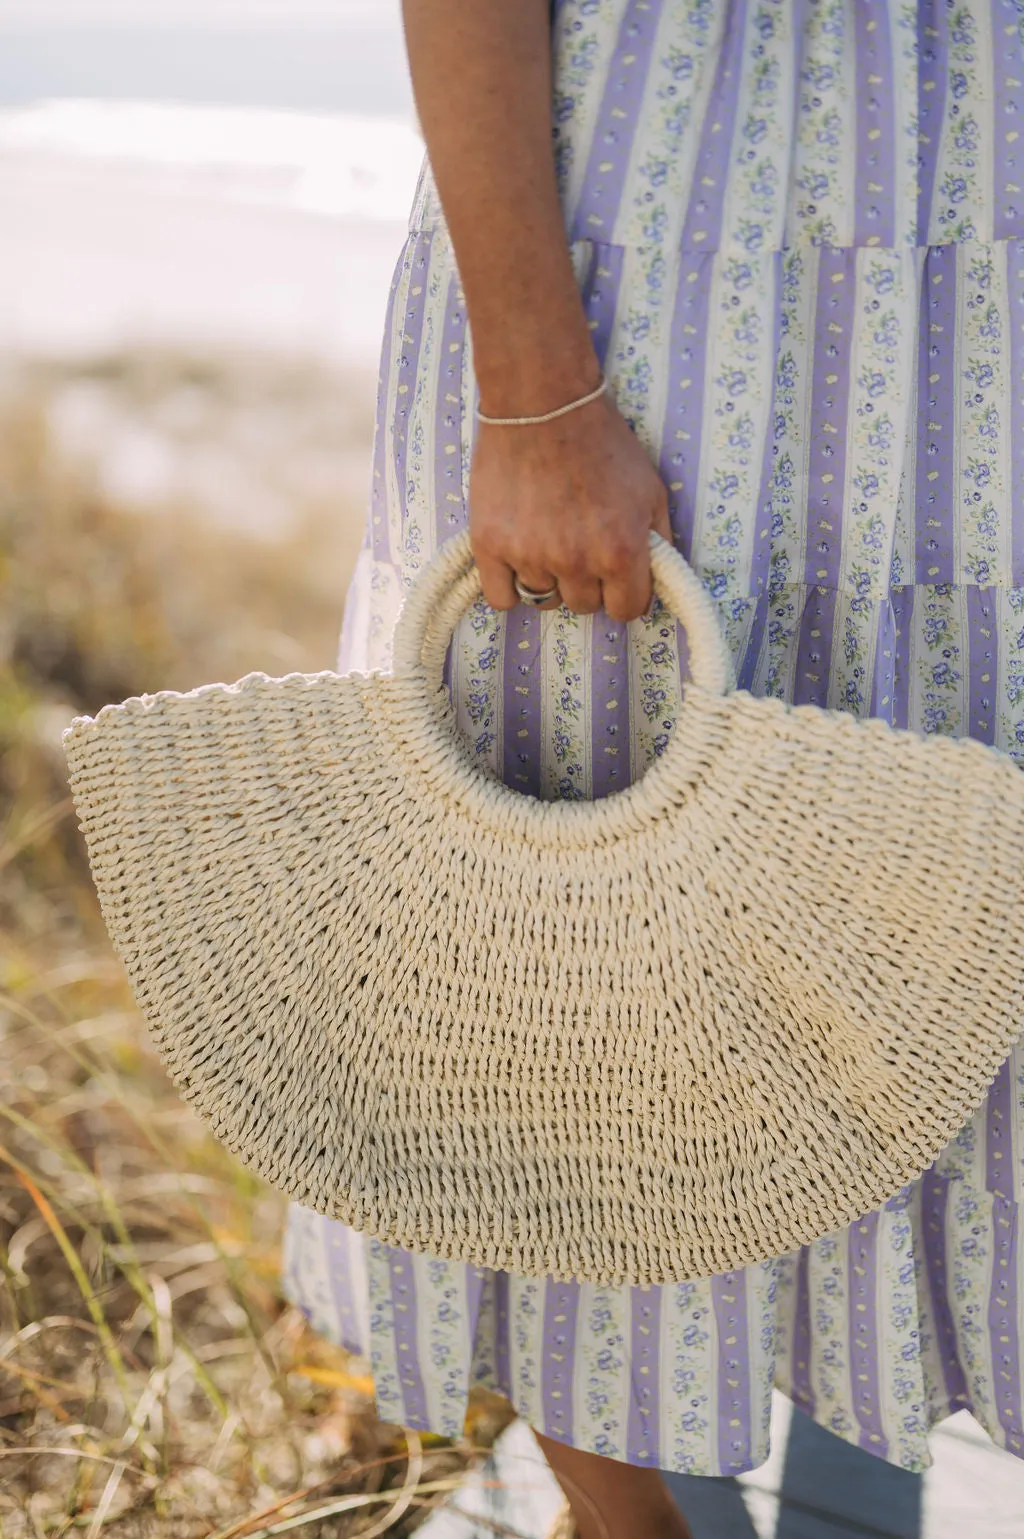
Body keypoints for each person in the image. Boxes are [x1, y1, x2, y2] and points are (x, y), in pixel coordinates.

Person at [283, 3, 1024, 1535]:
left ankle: (866, 1431)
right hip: (653, 259)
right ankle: (627, 1518)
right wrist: (539, 397)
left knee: (930, 888)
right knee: (558, 919)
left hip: (976, 288)